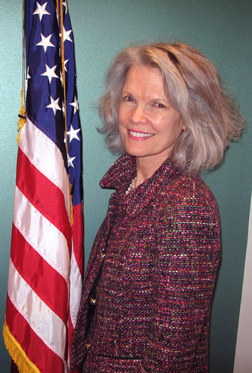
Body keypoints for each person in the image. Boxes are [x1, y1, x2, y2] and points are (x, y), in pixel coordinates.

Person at [71, 42, 245, 372]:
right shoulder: (128, 185)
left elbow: (171, 354)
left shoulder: (186, 207)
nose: (137, 116)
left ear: (187, 119)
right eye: (130, 99)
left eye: (158, 104)